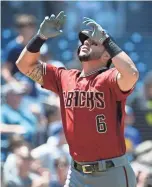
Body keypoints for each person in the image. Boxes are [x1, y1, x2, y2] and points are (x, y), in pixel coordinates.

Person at [16, 11, 139, 187]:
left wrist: (107, 41)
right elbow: (24, 65)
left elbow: (132, 73)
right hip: (76, 174)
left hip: (112, 173)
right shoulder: (64, 77)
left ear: (106, 56)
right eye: (84, 41)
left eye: (93, 42)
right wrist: (40, 37)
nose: (86, 42)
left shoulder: (111, 78)